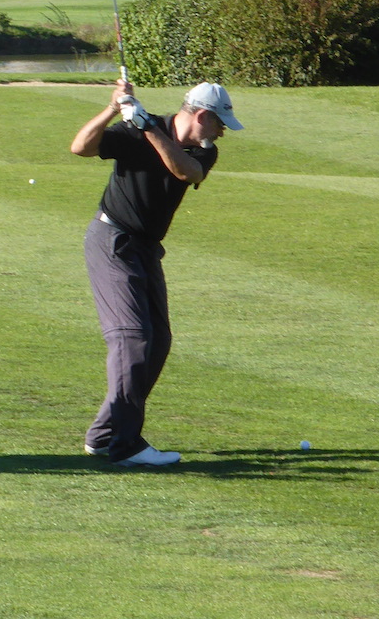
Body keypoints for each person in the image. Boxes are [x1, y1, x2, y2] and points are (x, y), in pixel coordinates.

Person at [68, 78, 243, 467]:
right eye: (220, 124)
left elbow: (185, 173)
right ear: (202, 116)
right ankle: (125, 446)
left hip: (146, 249)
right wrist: (114, 109)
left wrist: (146, 126)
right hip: (112, 239)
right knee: (133, 338)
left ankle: (103, 435)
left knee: (158, 340)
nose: (221, 133)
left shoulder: (202, 151)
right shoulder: (135, 129)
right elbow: (80, 147)